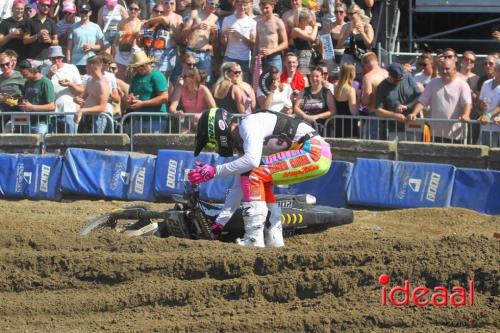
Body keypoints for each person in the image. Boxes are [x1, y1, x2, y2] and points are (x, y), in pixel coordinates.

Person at [187, 107, 332, 248]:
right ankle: (275, 240)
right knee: (260, 178)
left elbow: (251, 162)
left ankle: (254, 238)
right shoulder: (244, 138)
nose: (216, 149)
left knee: (253, 173)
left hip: (314, 152)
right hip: (318, 155)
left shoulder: (248, 125)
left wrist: (214, 171)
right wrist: (220, 223)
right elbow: (239, 187)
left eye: (213, 144)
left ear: (218, 132)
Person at [409, 59, 472, 143]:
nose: (444, 71)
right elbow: (422, 101)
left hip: (454, 134)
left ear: (454, 69)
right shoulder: (433, 83)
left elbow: (467, 103)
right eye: (442, 69)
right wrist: (414, 113)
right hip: (434, 133)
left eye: (447, 69)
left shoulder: (462, 85)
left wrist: (466, 115)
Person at [41, 45, 83, 133]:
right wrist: (49, 75)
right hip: (52, 113)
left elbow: (81, 90)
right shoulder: (45, 70)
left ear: (62, 58)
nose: (56, 61)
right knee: (53, 143)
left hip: (69, 111)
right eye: (53, 58)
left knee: (70, 141)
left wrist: (70, 84)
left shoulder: (71, 68)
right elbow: (42, 90)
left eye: (59, 58)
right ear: (50, 59)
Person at [375, 63, 421, 140]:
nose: (398, 82)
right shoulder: (382, 87)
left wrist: (407, 106)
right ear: (389, 75)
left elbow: (419, 96)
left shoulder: (408, 77)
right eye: (396, 80)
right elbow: (378, 110)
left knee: (414, 150)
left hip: (413, 125)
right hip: (394, 129)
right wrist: (394, 115)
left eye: (401, 79)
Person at [126, 50, 169, 133]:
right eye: (137, 66)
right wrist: (130, 100)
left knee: (153, 145)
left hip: (155, 119)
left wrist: (142, 104)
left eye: (142, 65)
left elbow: (164, 98)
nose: (140, 68)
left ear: (148, 64)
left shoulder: (157, 75)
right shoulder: (135, 78)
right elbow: (131, 94)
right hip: (139, 119)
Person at [142, 1, 183, 81]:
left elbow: (163, 19)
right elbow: (144, 33)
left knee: (165, 80)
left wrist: (148, 21)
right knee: (153, 78)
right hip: (152, 52)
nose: (169, 6)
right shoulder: (156, 17)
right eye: (166, 3)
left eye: (171, 3)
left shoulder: (176, 17)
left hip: (168, 52)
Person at [180, 0, 219, 83]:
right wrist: (196, 27)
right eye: (212, 3)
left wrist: (214, 33)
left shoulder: (215, 18)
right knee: (186, 80)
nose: (214, 6)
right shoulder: (195, 13)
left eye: (216, 5)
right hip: (191, 52)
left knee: (204, 82)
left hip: (205, 54)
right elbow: (183, 34)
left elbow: (214, 42)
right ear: (205, 2)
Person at [169, 67, 215, 132]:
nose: (182, 78)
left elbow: (214, 108)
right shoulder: (180, 88)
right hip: (187, 122)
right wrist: (176, 112)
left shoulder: (204, 89)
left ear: (193, 78)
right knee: (183, 136)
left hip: (203, 122)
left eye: (185, 76)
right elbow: (172, 107)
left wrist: (202, 115)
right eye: (182, 76)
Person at [74, 55, 111, 133]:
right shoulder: (90, 80)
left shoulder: (102, 83)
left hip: (97, 119)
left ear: (91, 66)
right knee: (81, 144)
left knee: (94, 144)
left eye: (86, 66)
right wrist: (77, 99)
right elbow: (83, 97)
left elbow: (102, 107)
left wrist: (82, 110)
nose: (85, 68)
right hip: (86, 117)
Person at [221, 0, 256, 82]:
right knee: (225, 84)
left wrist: (240, 36)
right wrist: (224, 35)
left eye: (244, 5)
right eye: (240, 5)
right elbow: (223, 43)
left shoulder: (252, 22)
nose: (242, 7)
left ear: (248, 6)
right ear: (235, 4)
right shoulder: (227, 19)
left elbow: (252, 45)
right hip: (229, 57)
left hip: (245, 59)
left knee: (243, 85)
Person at [17, 59, 55, 134]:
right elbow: (26, 99)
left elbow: (52, 106)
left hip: (41, 123)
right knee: (27, 145)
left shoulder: (45, 82)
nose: (23, 77)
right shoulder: (27, 82)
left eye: (25, 74)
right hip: (27, 121)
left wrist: (31, 107)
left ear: (32, 70)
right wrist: (21, 102)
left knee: (40, 145)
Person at [293, 65, 336, 130]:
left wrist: (317, 116)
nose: (314, 78)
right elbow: (296, 107)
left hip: (320, 127)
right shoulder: (303, 91)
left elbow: (333, 111)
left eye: (317, 76)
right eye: (312, 76)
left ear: (322, 77)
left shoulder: (327, 92)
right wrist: (305, 116)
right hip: (304, 126)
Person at [336, 4, 373, 77]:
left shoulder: (367, 26)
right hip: (348, 57)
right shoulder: (345, 26)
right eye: (348, 14)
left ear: (358, 13)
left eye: (352, 14)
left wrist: (362, 33)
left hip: (361, 58)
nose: (349, 16)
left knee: (360, 81)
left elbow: (369, 45)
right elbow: (339, 46)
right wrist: (346, 34)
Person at [67, 3, 104, 75]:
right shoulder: (73, 27)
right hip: (76, 62)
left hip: (91, 62)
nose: (83, 14)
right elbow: (69, 47)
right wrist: (68, 63)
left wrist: (91, 47)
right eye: (81, 12)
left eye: (86, 12)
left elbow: (101, 46)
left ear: (90, 13)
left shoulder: (96, 27)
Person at [254, 0, 288, 72]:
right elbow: (256, 43)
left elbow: (285, 43)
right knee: (260, 82)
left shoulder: (278, 22)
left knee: (275, 82)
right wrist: (253, 61)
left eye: (267, 8)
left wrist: (271, 51)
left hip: (274, 58)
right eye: (262, 8)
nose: (264, 10)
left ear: (272, 7)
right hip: (260, 59)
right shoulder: (259, 23)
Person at [359, 51, 387, 139]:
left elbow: (367, 94)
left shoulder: (368, 76)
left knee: (371, 145)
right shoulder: (387, 73)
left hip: (374, 114)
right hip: (389, 113)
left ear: (365, 64)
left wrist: (361, 99)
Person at [114, 0, 143, 80]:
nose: (133, 11)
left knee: (132, 79)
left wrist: (138, 37)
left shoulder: (142, 24)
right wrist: (119, 36)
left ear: (139, 11)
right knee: (120, 78)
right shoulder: (122, 23)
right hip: (122, 51)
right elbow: (116, 41)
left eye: (136, 9)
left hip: (135, 52)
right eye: (131, 8)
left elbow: (142, 43)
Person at [289, 8, 320, 76]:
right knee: (303, 78)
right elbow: (311, 38)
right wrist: (315, 26)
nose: (310, 20)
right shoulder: (295, 30)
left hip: (311, 56)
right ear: (303, 20)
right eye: (309, 18)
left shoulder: (309, 28)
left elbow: (316, 41)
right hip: (301, 57)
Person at [477, 60, 500, 147]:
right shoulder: (485, 84)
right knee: (486, 157)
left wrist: (488, 115)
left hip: (497, 127)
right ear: (495, 70)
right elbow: (479, 103)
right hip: (486, 128)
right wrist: (482, 106)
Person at [333, 63, 358, 138]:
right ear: (352, 74)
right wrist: (359, 99)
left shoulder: (337, 88)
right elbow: (353, 111)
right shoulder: (350, 90)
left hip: (338, 122)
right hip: (349, 123)